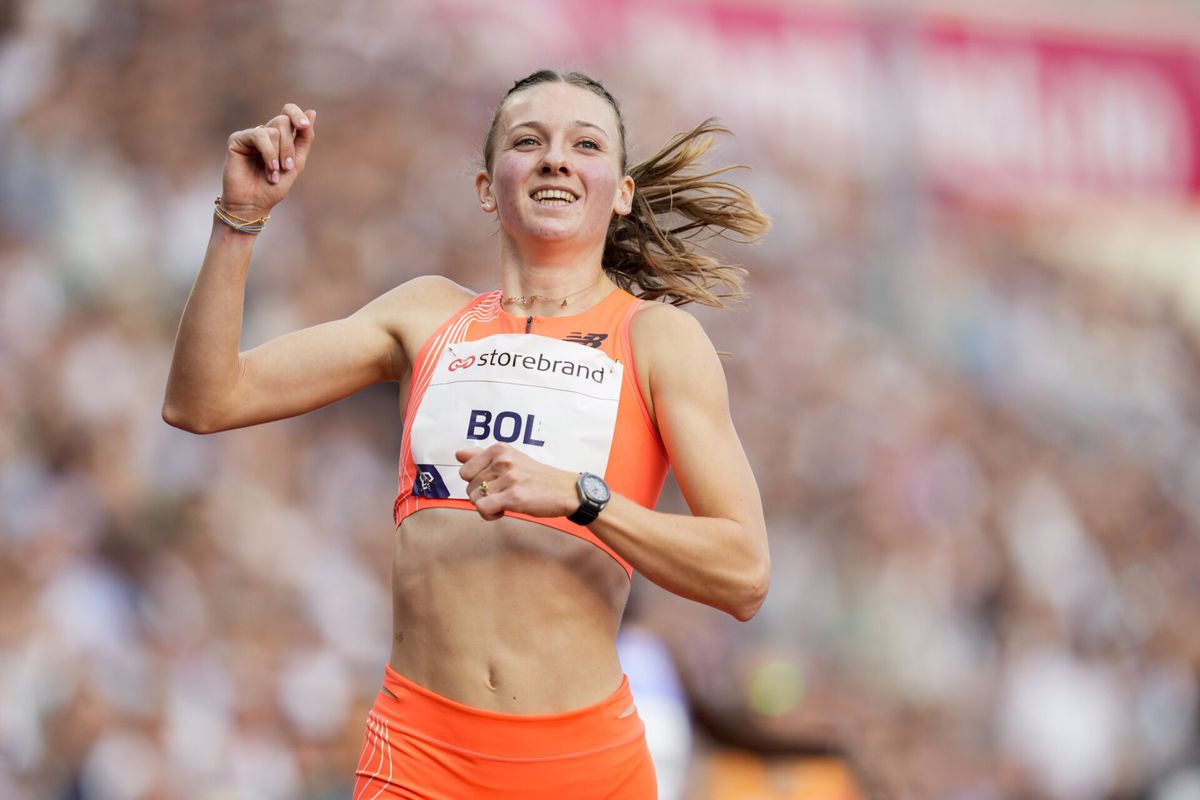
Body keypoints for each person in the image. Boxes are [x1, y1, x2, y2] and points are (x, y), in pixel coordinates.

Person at [163, 69, 771, 799]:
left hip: (583, 767)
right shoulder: (425, 316)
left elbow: (743, 573)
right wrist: (239, 219)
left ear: (621, 194)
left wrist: (580, 497)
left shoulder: (657, 341)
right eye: (528, 140)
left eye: (585, 144)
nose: (555, 158)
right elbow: (203, 399)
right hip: (419, 758)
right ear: (488, 186)